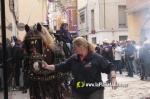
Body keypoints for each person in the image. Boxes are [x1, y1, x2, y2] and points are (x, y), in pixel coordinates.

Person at [33, 37, 117, 99]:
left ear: (81, 47)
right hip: (78, 91)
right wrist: (47, 66)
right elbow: (61, 66)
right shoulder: (73, 58)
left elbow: (110, 66)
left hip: (95, 90)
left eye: (75, 47)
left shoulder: (96, 58)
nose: (73, 49)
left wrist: (113, 78)